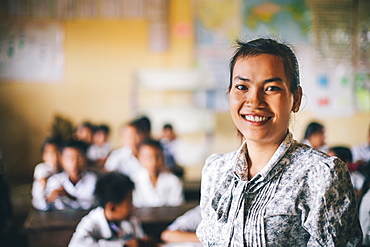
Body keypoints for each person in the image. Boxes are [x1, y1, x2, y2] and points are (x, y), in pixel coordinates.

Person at [196, 38, 362, 246]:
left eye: (271, 88)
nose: (254, 101)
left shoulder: (321, 174)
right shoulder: (216, 170)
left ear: (296, 99)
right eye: (241, 86)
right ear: (229, 93)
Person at [69, 172, 156, 247]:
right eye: (129, 203)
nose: (133, 207)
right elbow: (75, 245)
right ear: (112, 208)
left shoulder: (131, 221)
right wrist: (123, 245)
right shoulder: (91, 221)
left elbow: (138, 239)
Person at [44, 140, 97, 210]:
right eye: (69, 158)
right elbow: (46, 206)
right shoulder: (54, 180)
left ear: (86, 158)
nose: (74, 163)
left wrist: (70, 197)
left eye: (78, 158)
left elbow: (91, 204)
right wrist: (49, 199)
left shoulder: (93, 179)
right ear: (62, 160)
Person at [131, 139, 184, 208]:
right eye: (148, 157)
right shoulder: (134, 181)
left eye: (158, 157)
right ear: (139, 158)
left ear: (163, 158)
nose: (154, 162)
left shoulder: (174, 181)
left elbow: (177, 207)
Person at [31, 137, 62, 210]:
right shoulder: (42, 168)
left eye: (58, 152)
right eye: (51, 154)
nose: (55, 157)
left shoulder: (61, 169)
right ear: (43, 156)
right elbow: (43, 184)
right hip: (42, 202)